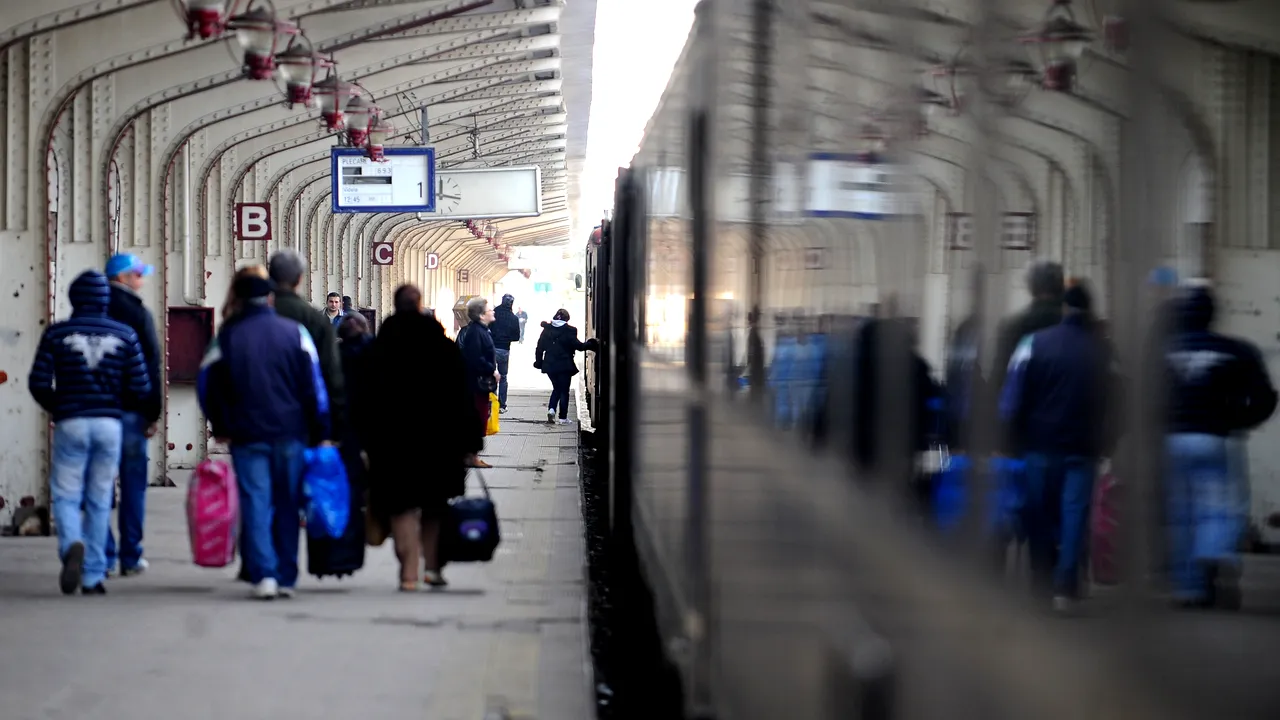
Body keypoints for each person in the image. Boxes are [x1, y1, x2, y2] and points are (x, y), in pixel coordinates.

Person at [197, 273, 331, 600]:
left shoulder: (227, 336)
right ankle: (286, 575)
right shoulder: (295, 333)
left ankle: (264, 574)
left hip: (246, 434)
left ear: (240, 300)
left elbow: (206, 383)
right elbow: (314, 386)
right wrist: (320, 429)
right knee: (287, 503)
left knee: (256, 501)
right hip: (290, 432)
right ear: (270, 299)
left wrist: (221, 425)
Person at [28, 270, 152, 595]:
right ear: (105, 299)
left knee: (67, 494)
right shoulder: (125, 334)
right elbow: (141, 387)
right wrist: (116, 405)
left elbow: (38, 381)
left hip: (71, 423)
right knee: (100, 498)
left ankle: (72, 543)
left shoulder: (57, 334)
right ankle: (93, 576)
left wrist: (59, 407)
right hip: (109, 425)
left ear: (73, 298)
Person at [1000, 282, 1115, 613]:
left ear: (1064, 309)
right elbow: (1118, 398)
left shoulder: (1032, 342)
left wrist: (1010, 435)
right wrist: (1107, 439)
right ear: (1089, 310)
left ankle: (1041, 579)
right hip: (1083, 446)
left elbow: (1012, 395)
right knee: (1075, 514)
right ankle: (1065, 585)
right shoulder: (1103, 351)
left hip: (1040, 444)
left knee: (1038, 511)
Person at [1163, 284, 1277, 609]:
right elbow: (1265, 397)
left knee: (1181, 515)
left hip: (1171, 441)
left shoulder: (1162, 351)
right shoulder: (1236, 351)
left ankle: (1189, 588)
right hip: (1216, 439)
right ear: (1212, 315)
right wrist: (1238, 421)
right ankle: (1214, 552)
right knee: (1221, 509)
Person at [362, 285, 480, 590]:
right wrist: (471, 443)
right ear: (419, 306)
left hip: (393, 445)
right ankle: (432, 568)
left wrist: (363, 441)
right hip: (439, 445)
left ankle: (408, 574)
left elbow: (364, 399)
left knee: (400, 507)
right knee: (434, 506)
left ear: (394, 305)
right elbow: (463, 398)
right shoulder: (444, 348)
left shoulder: (380, 349)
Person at [101, 254, 163, 578]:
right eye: (138, 274)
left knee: (98, 486)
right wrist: (152, 413)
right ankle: (130, 555)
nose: (142, 280)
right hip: (132, 412)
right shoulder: (138, 314)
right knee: (133, 486)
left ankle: (103, 556)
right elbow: (151, 364)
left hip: (97, 410)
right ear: (123, 278)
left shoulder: (91, 309)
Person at [269, 251, 345, 439]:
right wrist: (335, 426)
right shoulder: (315, 320)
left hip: (251, 423)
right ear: (300, 279)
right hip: (300, 418)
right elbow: (330, 372)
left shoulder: (245, 318)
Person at [992, 261, 1065, 453]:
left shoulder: (1013, 326)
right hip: (1069, 434)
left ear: (1031, 287)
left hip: (1023, 431)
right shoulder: (1076, 328)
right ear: (1060, 286)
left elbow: (1000, 378)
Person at [456, 297, 500, 467]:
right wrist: (492, 370)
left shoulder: (481, 330)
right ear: (481, 315)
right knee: (477, 418)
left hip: (478, 382)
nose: (493, 311)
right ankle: (471, 456)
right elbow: (476, 358)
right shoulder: (476, 332)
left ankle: (471, 455)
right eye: (490, 309)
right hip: (476, 384)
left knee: (479, 417)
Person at [534, 309, 598, 424]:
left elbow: (539, 348)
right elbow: (579, 346)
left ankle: (552, 409)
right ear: (567, 319)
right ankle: (563, 418)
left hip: (550, 365)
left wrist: (538, 362)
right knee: (564, 391)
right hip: (564, 365)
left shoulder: (547, 330)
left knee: (556, 388)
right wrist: (591, 344)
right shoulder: (570, 330)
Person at [490, 294, 521, 413]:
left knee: (491, 375)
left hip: (491, 348)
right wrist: (506, 338)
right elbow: (516, 337)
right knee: (503, 377)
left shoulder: (493, 314)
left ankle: (491, 403)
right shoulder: (514, 318)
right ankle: (502, 405)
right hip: (504, 350)